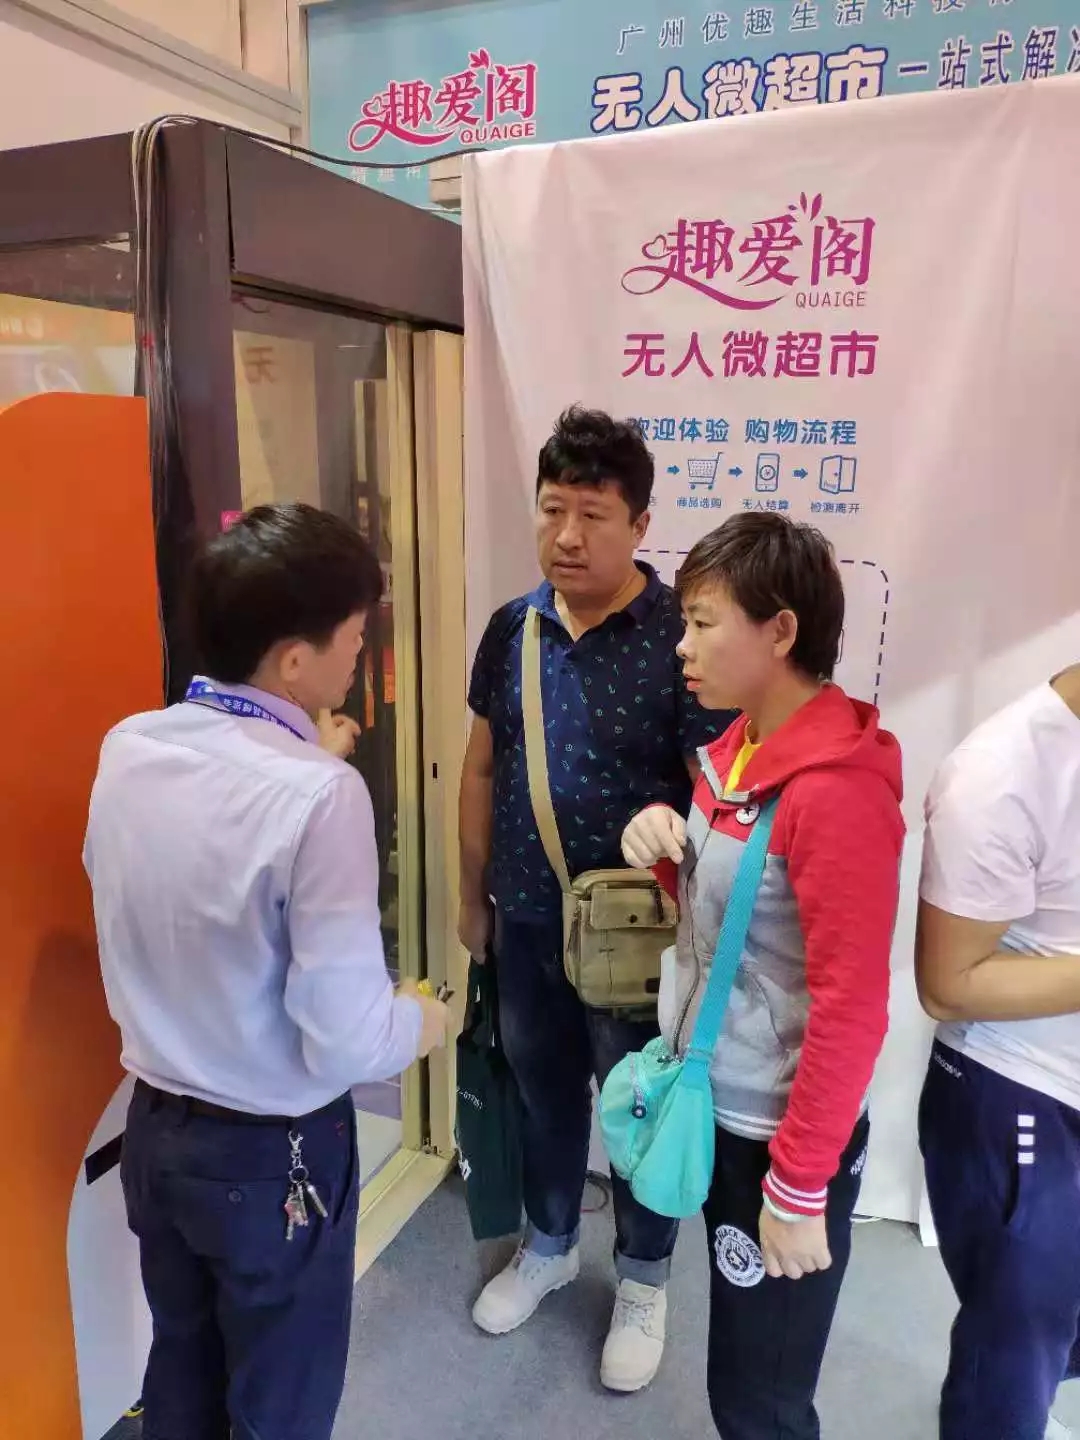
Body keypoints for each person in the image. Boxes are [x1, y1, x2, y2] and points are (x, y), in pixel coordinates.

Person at [84, 503, 449, 1440]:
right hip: (271, 1154)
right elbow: (346, 1038)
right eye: (355, 638)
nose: (359, 657)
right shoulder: (323, 797)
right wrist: (424, 1018)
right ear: (294, 660)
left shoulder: (130, 746)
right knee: (279, 1403)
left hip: (156, 1133)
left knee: (181, 1371)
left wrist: (306, 753)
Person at [458, 406, 731, 1392]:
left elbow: (722, 794)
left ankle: (645, 1281)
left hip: (638, 937)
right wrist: (470, 899)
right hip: (528, 917)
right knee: (542, 1092)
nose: (567, 535)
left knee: (639, 1110)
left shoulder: (682, 640)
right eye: (552, 510)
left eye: (593, 514)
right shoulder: (512, 629)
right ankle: (550, 1245)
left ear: (640, 523)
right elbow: (481, 768)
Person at [621, 512, 904, 1439]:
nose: (682, 644)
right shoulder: (740, 748)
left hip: (777, 1135)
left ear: (780, 631)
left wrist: (799, 1184)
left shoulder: (836, 791)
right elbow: (742, 922)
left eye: (703, 622)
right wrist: (669, 854)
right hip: (723, 1099)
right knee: (741, 1375)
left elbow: (852, 1009)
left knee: (761, 1398)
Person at [917, 667, 1080, 1440]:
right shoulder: (1000, 772)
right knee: (1014, 1350)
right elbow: (948, 985)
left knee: (1055, 1328)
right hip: (1018, 1086)